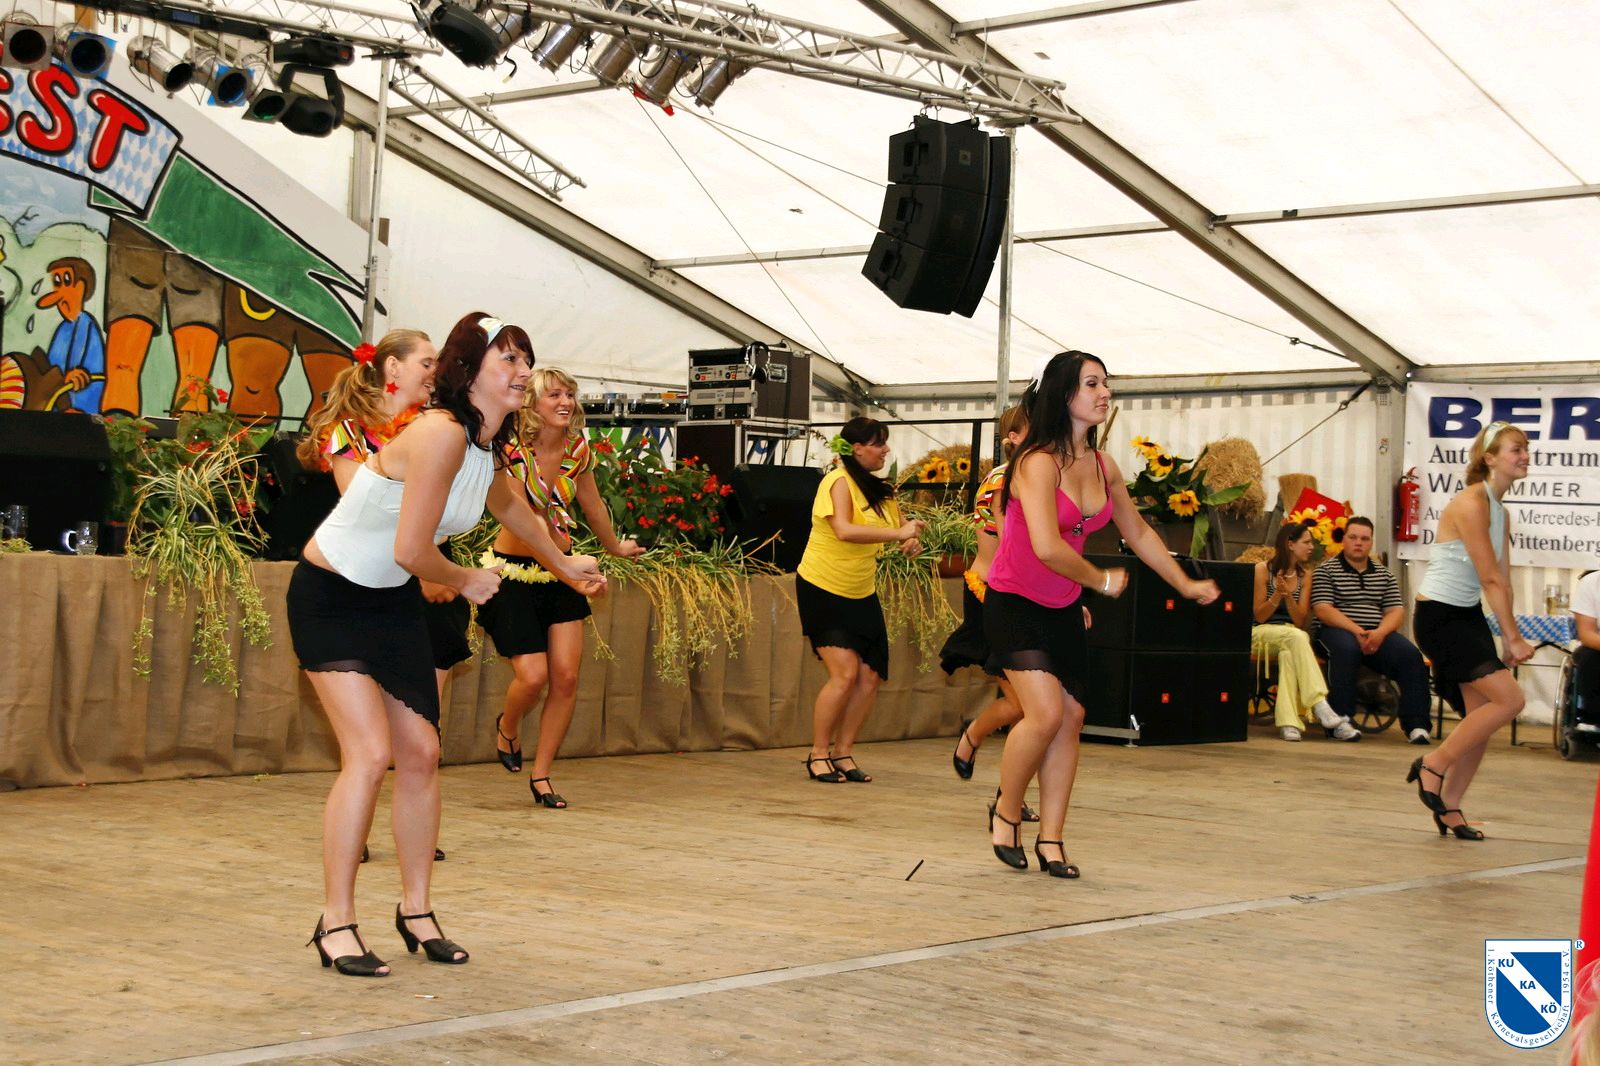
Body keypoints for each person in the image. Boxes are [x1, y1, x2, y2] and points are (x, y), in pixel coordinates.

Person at [287, 312, 604, 977]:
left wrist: (563, 565)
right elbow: (412, 549)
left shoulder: (482, 445)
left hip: (389, 601)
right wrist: (466, 580)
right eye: (508, 360)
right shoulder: (439, 433)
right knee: (369, 756)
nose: (523, 372)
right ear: (470, 370)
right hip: (331, 597)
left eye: (526, 360)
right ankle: (335, 921)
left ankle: (417, 911)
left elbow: (515, 511)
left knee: (422, 755)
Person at [984, 350, 1219, 878]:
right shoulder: (1035, 463)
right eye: (1092, 384)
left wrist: (1184, 582)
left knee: (1071, 718)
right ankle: (1005, 810)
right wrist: (1099, 579)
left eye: (1106, 383)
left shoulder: (1103, 465)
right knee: (1044, 715)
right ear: (1064, 393)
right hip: (1016, 601)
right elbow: (1047, 546)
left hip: (1063, 605)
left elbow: (1139, 532)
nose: (1104, 393)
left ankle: (1052, 839)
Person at [299, 328, 456, 863]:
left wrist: (437, 565)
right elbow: (362, 509)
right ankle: (356, 826)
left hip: (414, 584)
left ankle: (414, 826)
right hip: (358, 585)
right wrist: (428, 564)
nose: (435, 372)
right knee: (367, 748)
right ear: (392, 368)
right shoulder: (348, 432)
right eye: (427, 362)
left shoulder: (430, 427)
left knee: (422, 735)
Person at [480, 367, 644, 808]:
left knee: (567, 678)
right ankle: (507, 726)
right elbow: (527, 519)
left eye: (570, 394)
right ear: (532, 402)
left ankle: (543, 775)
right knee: (533, 677)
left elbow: (592, 503)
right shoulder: (511, 448)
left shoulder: (577, 449)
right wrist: (570, 570)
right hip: (516, 573)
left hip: (562, 574)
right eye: (554, 395)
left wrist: (614, 546)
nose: (566, 402)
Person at [1407, 421, 1533, 841]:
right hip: (1440, 617)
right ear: (1489, 458)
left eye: (1526, 448)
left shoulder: (1501, 512)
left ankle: (1451, 808)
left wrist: (1510, 635)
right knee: (1510, 700)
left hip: (1468, 616)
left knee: (1479, 719)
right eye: (1515, 449)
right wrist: (1512, 638)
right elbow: (1489, 578)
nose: (1524, 455)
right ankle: (1432, 764)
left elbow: (1504, 580)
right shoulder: (1470, 503)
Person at [796, 416, 925, 784]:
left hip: (861, 590)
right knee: (845, 674)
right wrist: (898, 533)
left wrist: (909, 541)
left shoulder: (882, 490)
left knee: (870, 676)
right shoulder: (837, 481)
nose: (886, 449)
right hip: (822, 586)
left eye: (885, 442)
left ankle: (843, 752)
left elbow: (900, 531)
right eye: (878, 443)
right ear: (856, 449)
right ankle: (818, 754)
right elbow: (843, 529)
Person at [941, 404, 1038, 822]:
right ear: (1012, 437)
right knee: (1025, 706)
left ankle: (1009, 796)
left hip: (1029, 600)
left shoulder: (1040, 478)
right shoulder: (1002, 481)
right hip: (993, 596)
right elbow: (1007, 549)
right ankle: (974, 736)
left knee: (1037, 711)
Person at [1310, 516, 1434, 744]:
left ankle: (1417, 725)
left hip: (1376, 633)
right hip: (1334, 631)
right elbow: (1323, 609)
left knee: (1410, 656)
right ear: (1343, 540)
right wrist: (1357, 630)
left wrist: (1379, 633)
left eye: (1364, 539)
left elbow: (1396, 611)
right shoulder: (1325, 570)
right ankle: (1340, 722)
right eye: (1353, 537)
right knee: (1346, 650)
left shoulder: (1384, 574)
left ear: (1371, 542)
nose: (1359, 543)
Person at [1252, 521, 1361, 742]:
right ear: (1290, 544)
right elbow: (1260, 616)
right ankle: (1322, 706)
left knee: (1290, 650)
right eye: (1307, 542)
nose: (1311, 547)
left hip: (1291, 636)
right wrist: (1277, 595)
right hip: (1261, 634)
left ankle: (1289, 724)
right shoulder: (1263, 570)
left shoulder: (1305, 575)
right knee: (1297, 637)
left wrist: (1288, 595)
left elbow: (1300, 620)